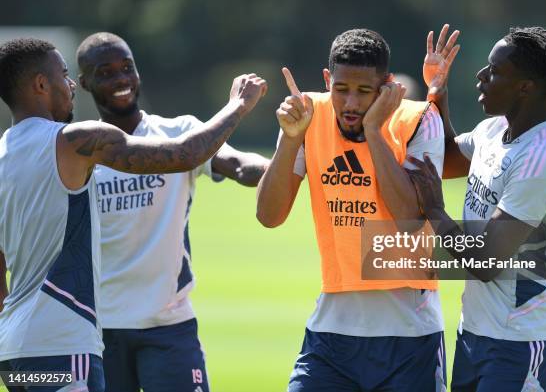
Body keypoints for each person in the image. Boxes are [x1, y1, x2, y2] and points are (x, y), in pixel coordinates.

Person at [0, 37, 266, 391]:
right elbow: (185, 154)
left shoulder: (3, 155)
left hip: (15, 354)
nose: (68, 86)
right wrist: (238, 106)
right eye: (63, 75)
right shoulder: (75, 142)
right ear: (41, 84)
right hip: (63, 344)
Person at [257, 26, 459, 392]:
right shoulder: (307, 114)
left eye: (365, 92)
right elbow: (269, 216)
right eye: (341, 89)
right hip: (332, 332)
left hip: (409, 335)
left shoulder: (418, 120)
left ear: (387, 86)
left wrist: (374, 131)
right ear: (326, 79)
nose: (351, 104)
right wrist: (289, 140)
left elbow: (410, 221)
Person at [408, 26, 546, 391]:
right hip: (476, 331)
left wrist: (435, 210)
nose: (481, 76)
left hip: (520, 337)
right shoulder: (493, 130)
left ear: (525, 87)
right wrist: (438, 90)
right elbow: (446, 157)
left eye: (495, 71)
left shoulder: (543, 159)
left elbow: (485, 263)